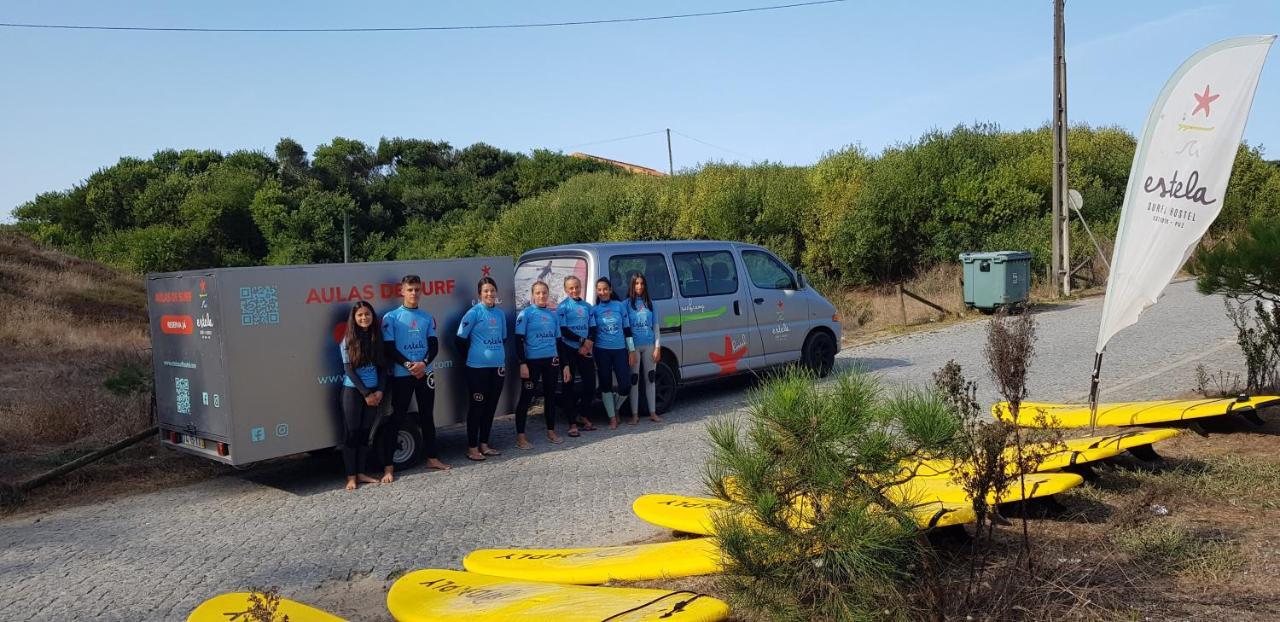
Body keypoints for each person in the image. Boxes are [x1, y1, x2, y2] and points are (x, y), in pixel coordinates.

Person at [382, 274, 451, 481]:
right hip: (403, 374)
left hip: (425, 372)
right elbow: (388, 348)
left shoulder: (427, 317)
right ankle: (388, 466)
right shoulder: (391, 317)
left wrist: (423, 364)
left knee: (427, 415)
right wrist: (408, 364)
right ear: (402, 291)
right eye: (410, 289)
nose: (414, 293)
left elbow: (434, 345)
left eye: (417, 289)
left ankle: (432, 458)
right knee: (397, 417)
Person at [456, 276, 508, 461]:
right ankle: (472, 448)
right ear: (479, 294)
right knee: (477, 407)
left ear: (496, 292)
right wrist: (472, 356)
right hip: (477, 368)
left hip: (497, 368)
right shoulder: (473, 313)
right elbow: (460, 340)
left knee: (490, 407)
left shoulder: (500, 314)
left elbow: (503, 338)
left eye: (492, 290)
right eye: (486, 291)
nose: (489, 294)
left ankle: (484, 444)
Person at [338, 301, 388, 490]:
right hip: (353, 392)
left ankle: (361, 472)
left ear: (372, 316)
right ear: (354, 318)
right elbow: (349, 370)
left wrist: (380, 391)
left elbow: (383, 368)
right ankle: (351, 476)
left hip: (375, 392)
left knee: (365, 433)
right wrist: (366, 393)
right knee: (352, 434)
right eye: (360, 315)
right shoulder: (347, 340)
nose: (364, 318)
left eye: (367, 314)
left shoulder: (377, 338)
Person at [513, 281, 566, 448]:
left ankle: (551, 431)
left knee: (551, 396)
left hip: (551, 360)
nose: (542, 296)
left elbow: (559, 341)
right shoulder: (525, 314)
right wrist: (522, 363)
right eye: (538, 293)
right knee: (526, 398)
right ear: (532, 295)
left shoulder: (553, 315)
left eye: (544, 293)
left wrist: (564, 364)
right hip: (532, 362)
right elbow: (518, 340)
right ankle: (521, 437)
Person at [590, 277, 636, 430]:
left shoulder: (619, 306)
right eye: (599, 290)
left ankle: (615, 407)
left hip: (620, 350)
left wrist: (631, 350)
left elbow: (627, 330)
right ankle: (612, 418)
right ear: (597, 291)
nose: (602, 292)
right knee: (605, 384)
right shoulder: (594, 310)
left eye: (605, 289)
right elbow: (592, 332)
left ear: (610, 290)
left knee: (625, 385)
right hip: (602, 350)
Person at [557, 275, 595, 436]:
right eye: (570, 288)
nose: (574, 290)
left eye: (576, 287)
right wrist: (582, 340)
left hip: (585, 349)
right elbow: (563, 330)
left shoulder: (588, 306)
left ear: (581, 287)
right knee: (569, 387)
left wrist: (588, 343)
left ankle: (582, 415)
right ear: (566, 290)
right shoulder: (562, 307)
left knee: (591, 384)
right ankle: (572, 423)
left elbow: (593, 328)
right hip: (568, 348)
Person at [626, 273, 664, 424]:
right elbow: (626, 329)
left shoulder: (651, 304)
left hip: (649, 345)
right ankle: (634, 415)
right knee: (634, 380)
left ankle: (652, 413)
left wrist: (657, 347)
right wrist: (630, 350)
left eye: (642, 283)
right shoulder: (626, 304)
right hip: (634, 346)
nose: (639, 287)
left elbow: (655, 327)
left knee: (650, 379)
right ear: (632, 285)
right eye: (636, 284)